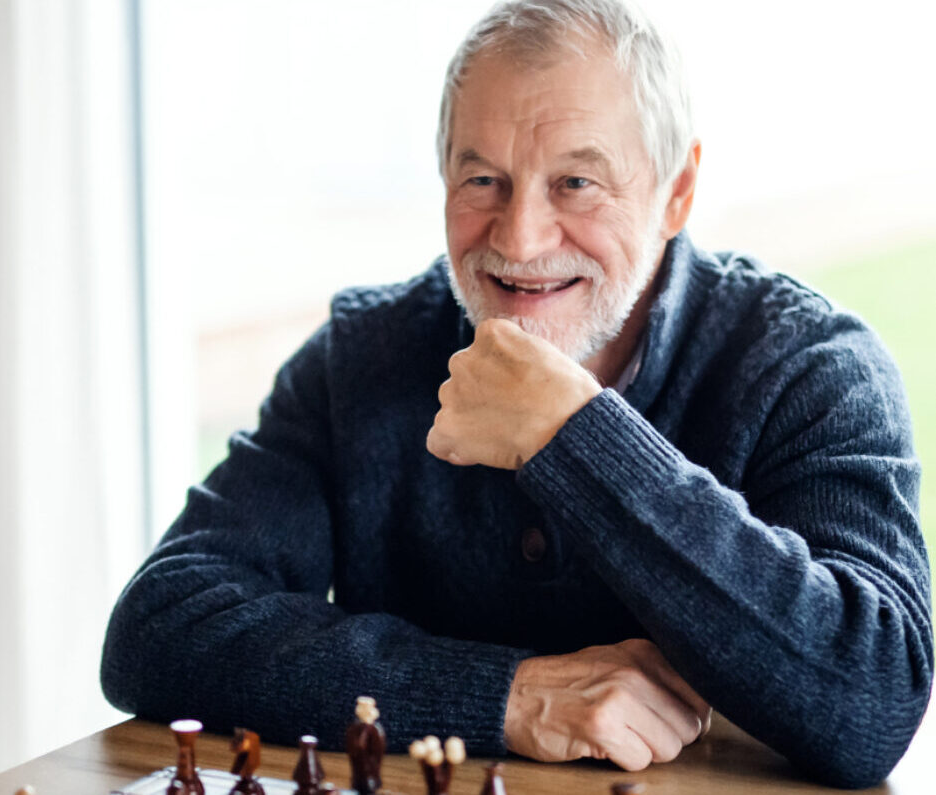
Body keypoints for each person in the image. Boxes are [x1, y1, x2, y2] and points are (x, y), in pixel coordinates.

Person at [100, 0, 933, 789]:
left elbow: (873, 699)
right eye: (482, 181)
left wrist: (572, 432)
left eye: (575, 183)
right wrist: (508, 694)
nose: (518, 239)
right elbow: (159, 628)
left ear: (676, 191)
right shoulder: (362, 359)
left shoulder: (808, 364)